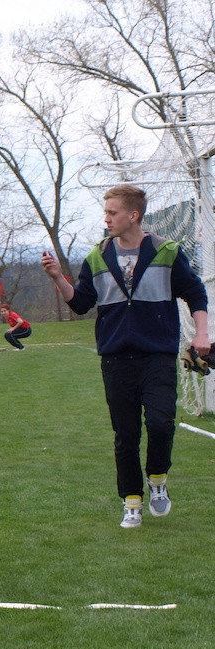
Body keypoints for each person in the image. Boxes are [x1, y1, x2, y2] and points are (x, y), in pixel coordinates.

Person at [41, 183, 210, 528]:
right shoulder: (96, 257)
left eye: (112, 213)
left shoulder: (167, 251)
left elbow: (195, 293)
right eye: (106, 213)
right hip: (116, 359)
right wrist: (59, 277)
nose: (106, 220)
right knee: (126, 434)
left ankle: (158, 479)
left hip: (158, 356)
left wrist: (203, 333)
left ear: (133, 215)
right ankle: (131, 501)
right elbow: (81, 303)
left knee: (161, 424)